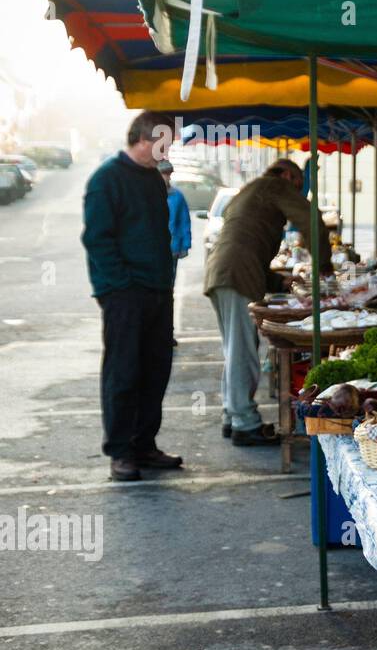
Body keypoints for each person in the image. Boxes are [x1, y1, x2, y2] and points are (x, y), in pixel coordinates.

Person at [81, 111, 184, 481]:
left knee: (156, 369)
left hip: (158, 289)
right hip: (124, 294)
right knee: (123, 371)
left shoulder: (153, 179)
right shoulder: (107, 179)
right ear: (145, 138)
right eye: (165, 143)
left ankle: (144, 444)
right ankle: (121, 451)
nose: (169, 150)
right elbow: (97, 239)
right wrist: (120, 285)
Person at [204, 158, 332, 446]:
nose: (299, 193)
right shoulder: (275, 185)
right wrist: (324, 266)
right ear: (287, 175)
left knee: (234, 347)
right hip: (237, 273)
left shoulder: (251, 189)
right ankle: (244, 422)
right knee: (242, 349)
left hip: (223, 270)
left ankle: (232, 414)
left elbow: (249, 242)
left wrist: (278, 283)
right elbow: (311, 221)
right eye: (298, 185)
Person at [158, 160, 191, 286]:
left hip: (172, 248)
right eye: (163, 174)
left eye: (168, 174)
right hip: (153, 248)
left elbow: (184, 222)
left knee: (169, 282)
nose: (166, 177)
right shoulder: (148, 194)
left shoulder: (177, 196)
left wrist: (185, 245)